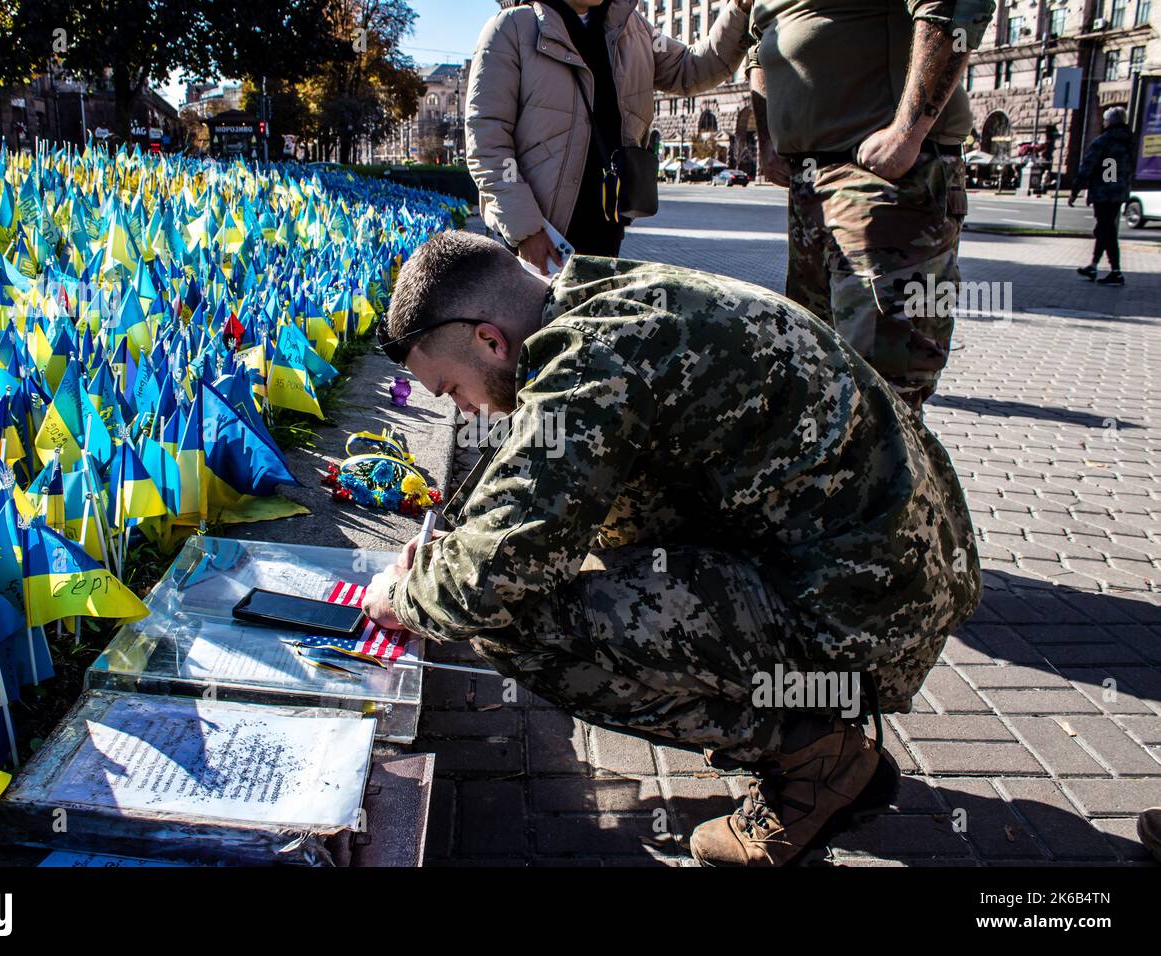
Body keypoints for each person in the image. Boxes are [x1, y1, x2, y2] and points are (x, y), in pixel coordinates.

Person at [363, 232, 982, 866]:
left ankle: (814, 756)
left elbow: (496, 576)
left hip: (865, 623)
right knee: (575, 557)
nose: (464, 408)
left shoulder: (590, 363)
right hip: (896, 577)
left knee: (518, 622)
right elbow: (538, 492)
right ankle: (821, 742)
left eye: (451, 388)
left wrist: (400, 595)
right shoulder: (607, 298)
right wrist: (476, 535)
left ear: (491, 340)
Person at [748, 0, 995, 412]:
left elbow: (954, 6)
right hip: (811, 185)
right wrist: (768, 141)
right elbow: (761, 45)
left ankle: (899, 477)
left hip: (883, 183)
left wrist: (908, 132)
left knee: (884, 392)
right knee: (816, 377)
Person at [465, 0, 751, 273]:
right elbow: (487, 143)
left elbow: (691, 68)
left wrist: (738, 11)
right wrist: (527, 231)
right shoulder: (512, 28)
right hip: (542, 239)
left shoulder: (633, 29)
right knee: (538, 322)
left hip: (606, 230)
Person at [1071, 107, 1134, 287]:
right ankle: (1093, 265)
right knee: (1104, 229)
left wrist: (1076, 189)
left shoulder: (1104, 141)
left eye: (1105, 120)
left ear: (1110, 122)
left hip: (1103, 193)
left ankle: (1116, 271)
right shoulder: (1130, 141)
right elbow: (1116, 169)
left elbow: (1088, 167)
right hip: (1119, 192)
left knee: (1106, 230)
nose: (1103, 123)